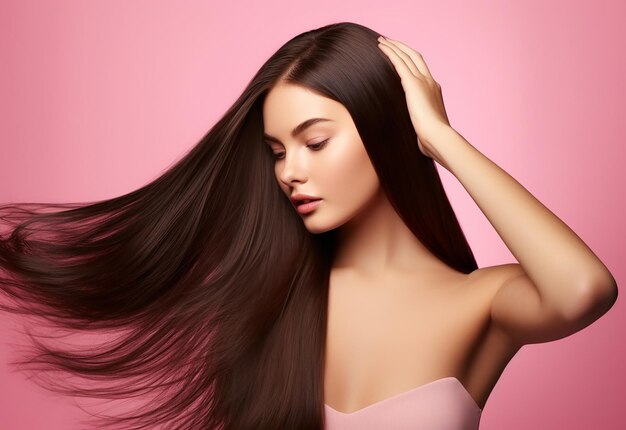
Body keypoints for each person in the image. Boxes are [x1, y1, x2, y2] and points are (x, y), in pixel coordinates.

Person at [0, 21, 617, 430]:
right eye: (276, 151)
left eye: (315, 141)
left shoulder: (482, 302)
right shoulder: (265, 303)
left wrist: (440, 138)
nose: (290, 171)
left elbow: (584, 289)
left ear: (387, 129)